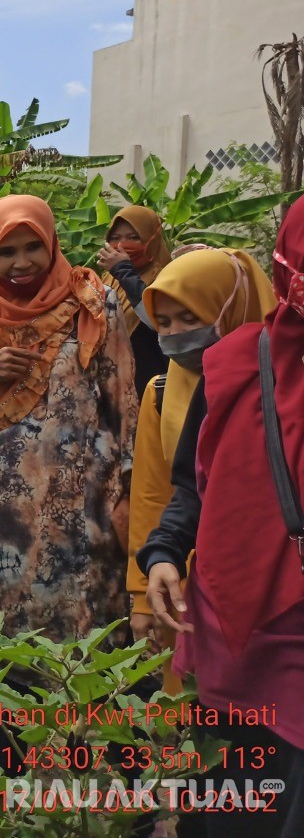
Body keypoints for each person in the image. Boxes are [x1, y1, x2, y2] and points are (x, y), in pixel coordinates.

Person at [140, 201, 304, 838]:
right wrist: (161, 553)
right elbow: (191, 484)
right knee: (233, 804)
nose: (176, 333)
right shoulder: (238, 364)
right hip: (239, 637)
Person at [0, 194, 138, 641]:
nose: (22, 262)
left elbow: (124, 407)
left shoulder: (94, 306)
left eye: (33, 246)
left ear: (52, 243)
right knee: (10, 631)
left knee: (89, 631)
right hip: (5, 516)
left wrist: (127, 493)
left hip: (87, 506)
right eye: (6, 252)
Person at [125, 249, 275, 694]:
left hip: (270, 588)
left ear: (231, 307)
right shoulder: (161, 392)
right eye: (163, 322)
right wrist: (142, 593)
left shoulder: (281, 390)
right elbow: (154, 494)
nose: (174, 334)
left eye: (189, 318)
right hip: (184, 587)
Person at [97, 205, 171, 397]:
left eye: (133, 237)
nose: (122, 245)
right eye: (115, 238)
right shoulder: (108, 279)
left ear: (152, 239)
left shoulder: (167, 277)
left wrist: (124, 272)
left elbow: (155, 318)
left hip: (154, 387)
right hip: (114, 385)